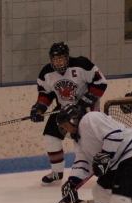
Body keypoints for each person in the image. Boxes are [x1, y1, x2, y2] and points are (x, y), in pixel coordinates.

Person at [30, 42, 107, 186]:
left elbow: (101, 83)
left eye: (61, 58)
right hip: (63, 108)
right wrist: (39, 108)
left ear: (67, 57)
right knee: (51, 136)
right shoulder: (46, 73)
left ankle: (103, 169)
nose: (58, 62)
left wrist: (83, 102)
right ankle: (57, 172)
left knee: (86, 142)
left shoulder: (82, 64)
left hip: (86, 109)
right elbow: (45, 93)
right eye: (55, 59)